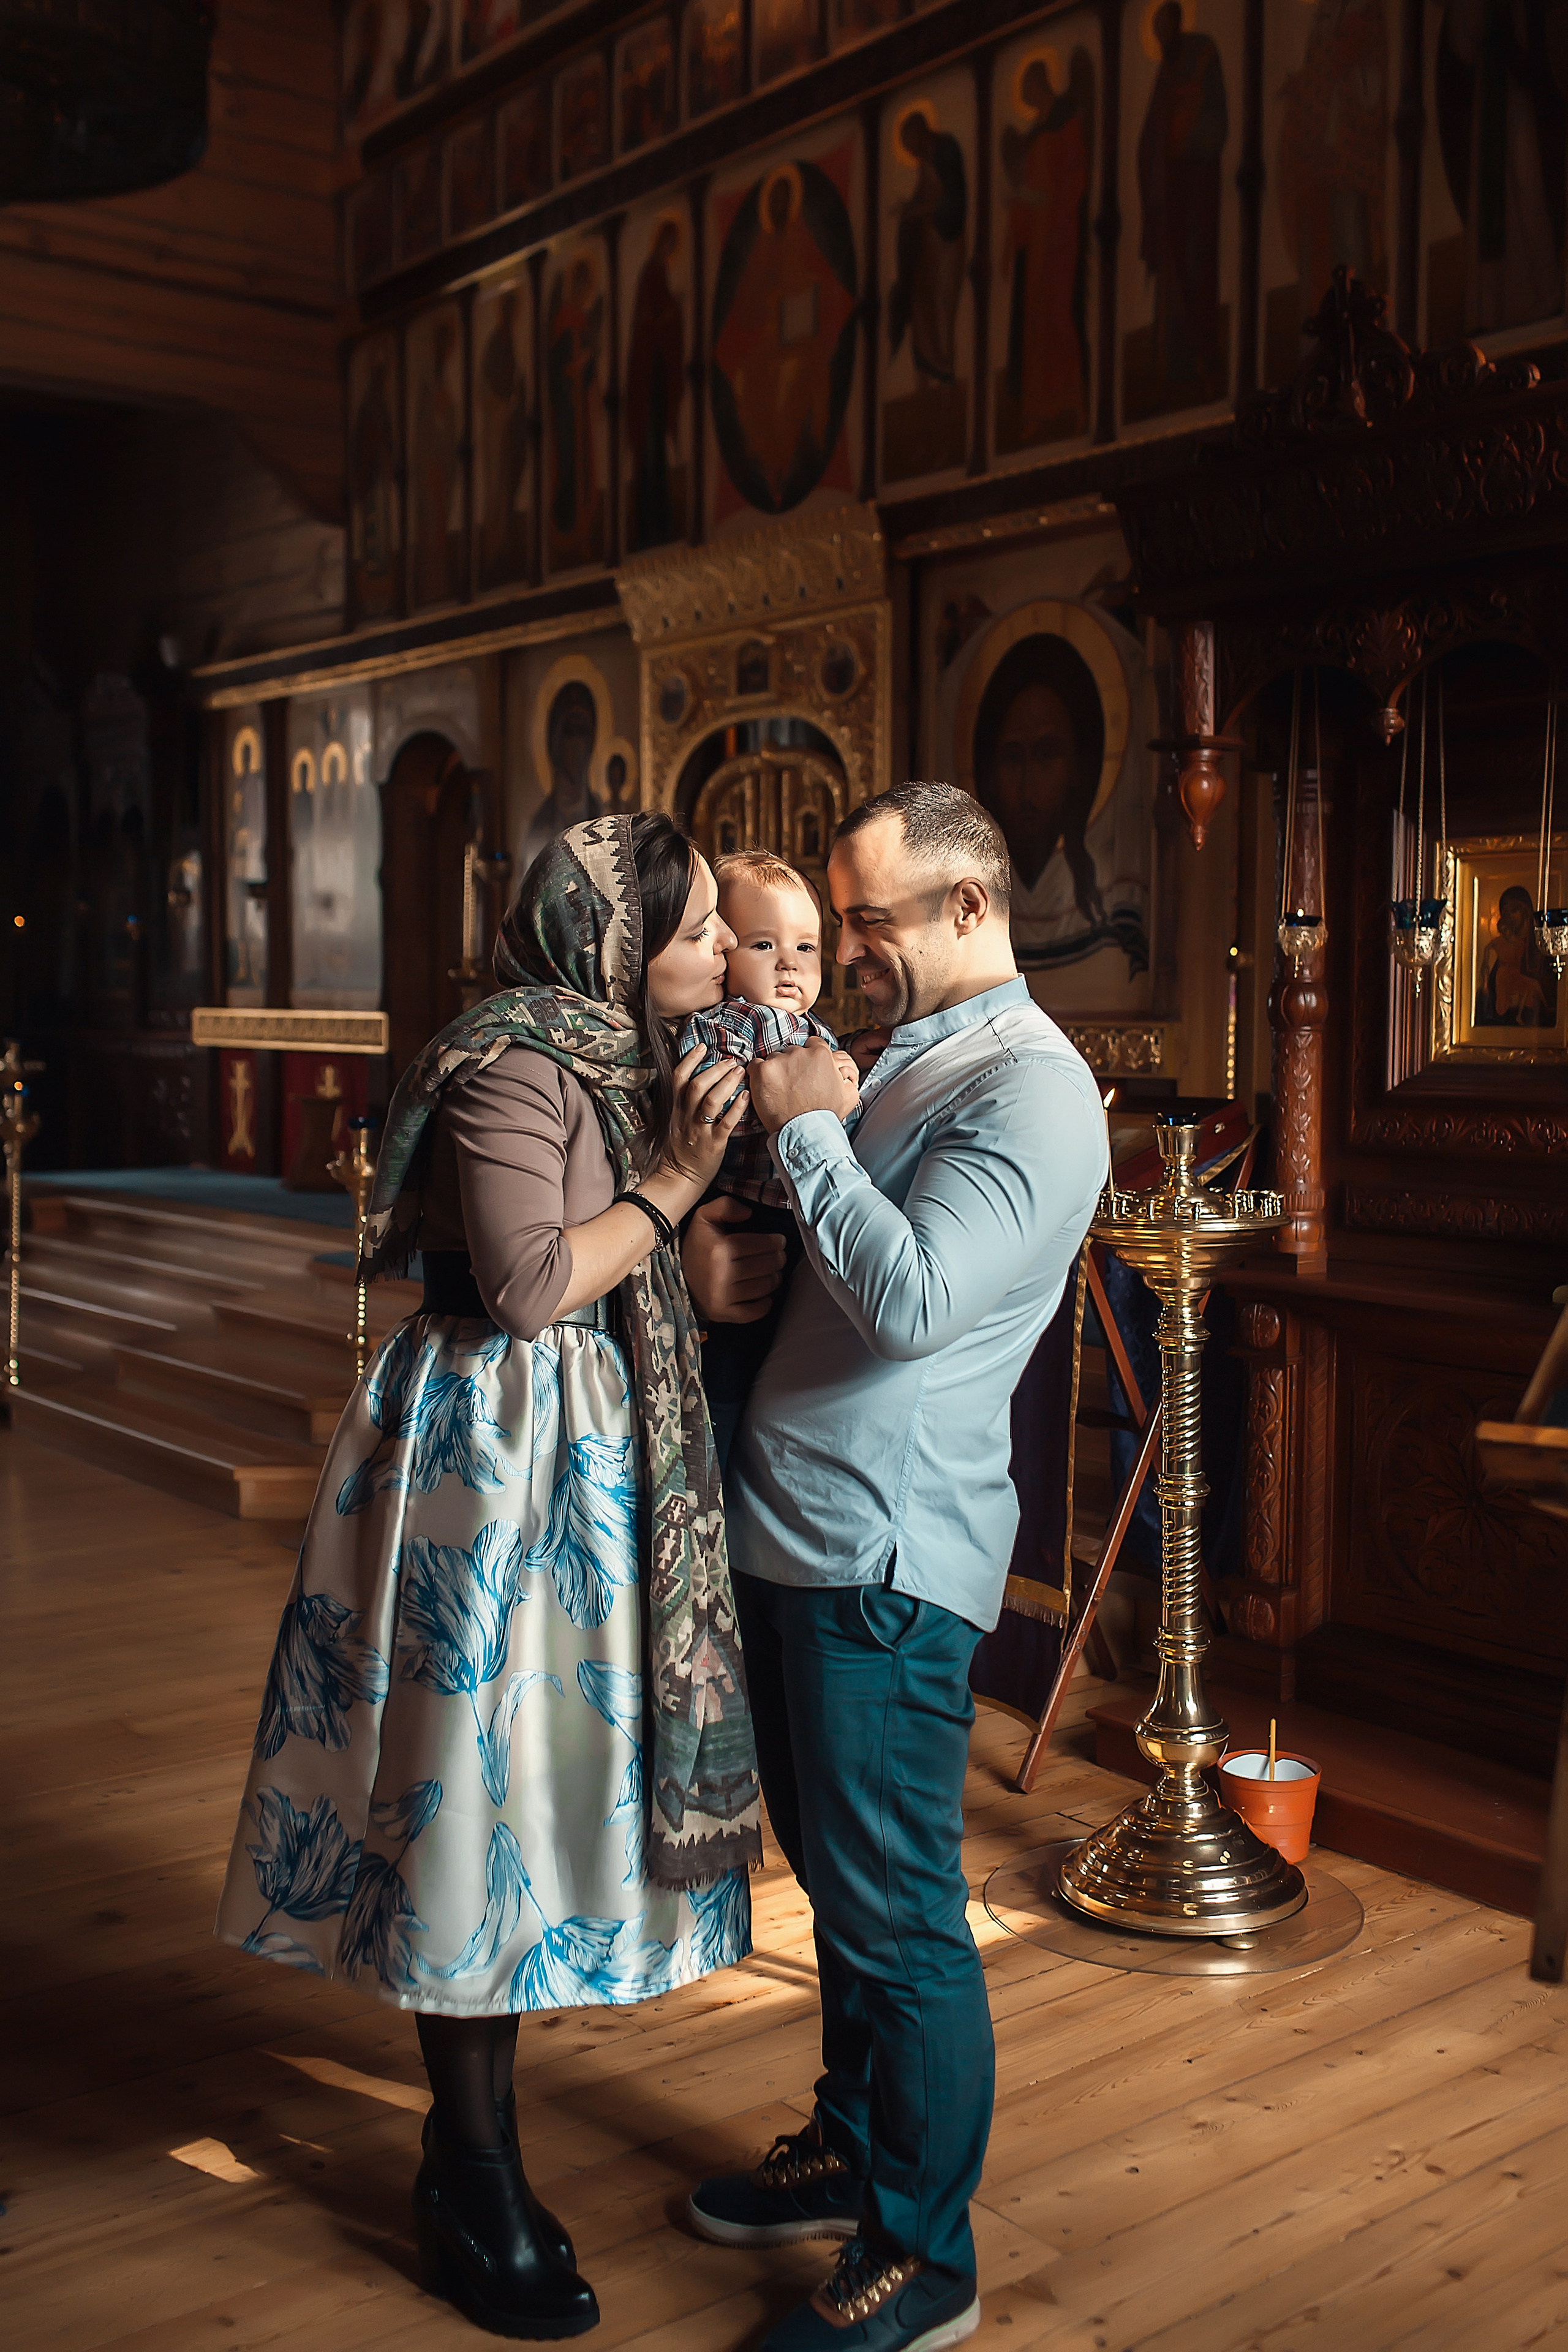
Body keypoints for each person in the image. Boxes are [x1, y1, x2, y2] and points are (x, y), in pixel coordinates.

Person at [216, 812, 763, 2340]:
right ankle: (470, 2171)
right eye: (697, 928)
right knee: (472, 1793)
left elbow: (627, 1249)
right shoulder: (515, 1059)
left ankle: (470, 2158)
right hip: (497, 1448)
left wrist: (695, 1239)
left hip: (583, 1447)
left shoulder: (624, 1052)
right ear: (612, 942)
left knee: (542, 1791)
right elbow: (526, 1282)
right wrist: (673, 1186)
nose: (721, 949)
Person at [684, 782, 1108, 2352]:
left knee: (900, 1915)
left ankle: (924, 2262)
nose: (846, 948)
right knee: (841, 1891)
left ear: (969, 907)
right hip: (793, 1526)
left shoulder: (1032, 1089)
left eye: (869, 920)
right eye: (840, 918)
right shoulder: (903, 1056)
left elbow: (917, 1302)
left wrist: (804, 1123)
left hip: (881, 1551)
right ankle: (851, 2142)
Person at [676, 848, 861, 1468]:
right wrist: (819, 1099)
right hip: (739, 1207)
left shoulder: (813, 1028)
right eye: (762, 945)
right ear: (722, 952)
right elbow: (715, 1104)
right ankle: (710, 1470)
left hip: (794, 1208)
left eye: (806, 947)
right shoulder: (727, 1025)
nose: (789, 962)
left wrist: (842, 1088)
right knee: (731, 1364)